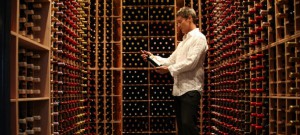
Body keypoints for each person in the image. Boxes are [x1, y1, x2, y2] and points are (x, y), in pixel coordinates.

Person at [140, 7, 208, 135]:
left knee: (188, 126)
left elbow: (191, 62)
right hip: (178, 91)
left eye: (180, 21)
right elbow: (170, 60)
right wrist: (151, 57)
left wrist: (169, 69)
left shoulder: (199, 38)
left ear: (189, 19)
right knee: (182, 128)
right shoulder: (183, 42)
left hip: (191, 89)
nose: (178, 25)